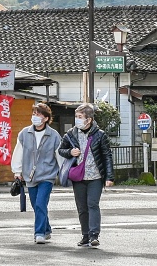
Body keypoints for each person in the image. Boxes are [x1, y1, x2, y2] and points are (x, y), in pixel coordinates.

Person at [59, 102, 114, 249]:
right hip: (79, 177)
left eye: (80, 117)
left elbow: (107, 156)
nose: (77, 119)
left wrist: (109, 177)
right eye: (76, 116)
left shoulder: (100, 135)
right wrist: (70, 152)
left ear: (89, 119)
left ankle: (94, 235)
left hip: (95, 177)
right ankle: (85, 236)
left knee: (93, 204)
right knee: (82, 207)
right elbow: (61, 149)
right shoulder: (71, 133)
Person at [10, 102, 61, 244]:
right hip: (30, 176)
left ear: (45, 118)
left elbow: (59, 155)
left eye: (38, 114)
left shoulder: (54, 135)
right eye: (34, 114)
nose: (35, 117)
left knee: (40, 203)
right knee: (36, 204)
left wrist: (63, 172)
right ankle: (47, 229)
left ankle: (39, 233)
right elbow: (18, 153)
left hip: (47, 175)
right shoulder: (24, 133)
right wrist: (17, 171)